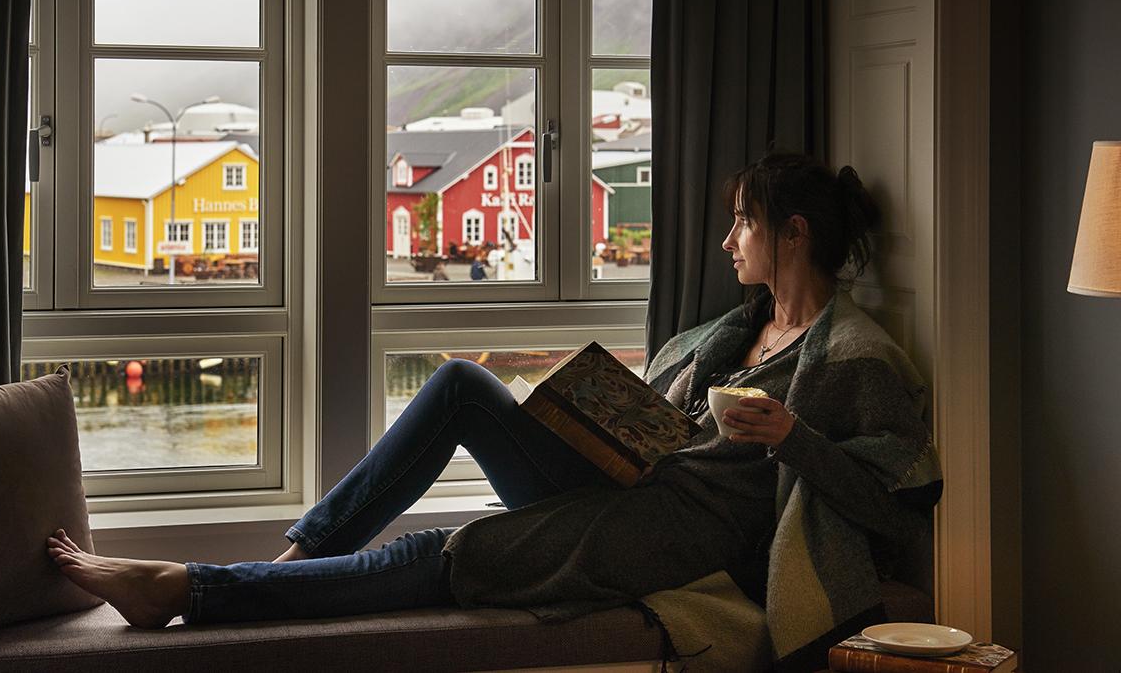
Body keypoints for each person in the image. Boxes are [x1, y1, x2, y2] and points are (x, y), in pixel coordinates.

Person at [47, 153, 941, 664]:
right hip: (636, 481)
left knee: (450, 552)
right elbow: (671, 424)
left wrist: (792, 436)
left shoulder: (857, 356)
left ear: (794, 233)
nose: (726, 239)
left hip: (688, 529)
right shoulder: (733, 329)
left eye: (743, 222)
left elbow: (897, 502)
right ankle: (296, 558)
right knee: (461, 384)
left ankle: (188, 588)